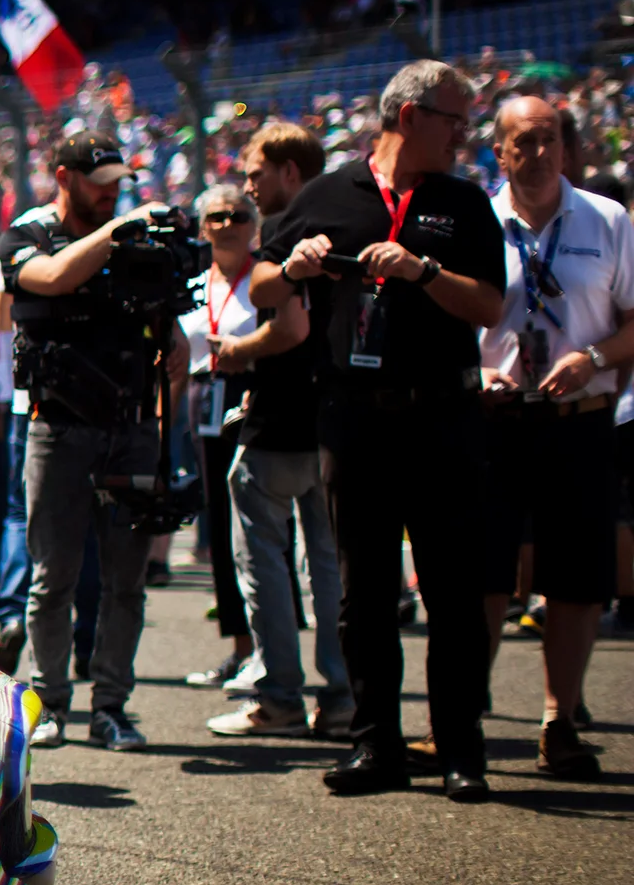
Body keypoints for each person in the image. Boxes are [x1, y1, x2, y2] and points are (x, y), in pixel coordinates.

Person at [250, 61, 506, 801]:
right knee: (363, 593)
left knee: (453, 592)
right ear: (408, 116)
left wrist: (424, 271)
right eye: (454, 118)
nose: (465, 132)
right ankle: (375, 745)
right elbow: (263, 284)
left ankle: (462, 748)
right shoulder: (329, 193)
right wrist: (293, 267)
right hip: (355, 418)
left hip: (443, 415)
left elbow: (489, 306)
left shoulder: (463, 203)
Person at [0, 132, 188, 751]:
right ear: (64, 176)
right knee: (52, 575)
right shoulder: (26, 234)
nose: (112, 194)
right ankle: (49, 702)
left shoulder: (132, 237)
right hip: (56, 426)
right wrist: (121, 230)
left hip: (131, 425)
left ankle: (111, 705)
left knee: (125, 580)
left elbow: (171, 330)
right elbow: (51, 278)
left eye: (118, 184)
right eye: (100, 182)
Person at [477, 94, 634, 779]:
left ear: (567, 149)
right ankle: (461, 718)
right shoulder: (474, 222)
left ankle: (558, 722)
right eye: (524, 141)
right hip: (494, 421)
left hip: (580, 422)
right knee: (480, 574)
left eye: (550, 140)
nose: (538, 153)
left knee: (575, 580)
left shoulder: (608, 220)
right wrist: (472, 377)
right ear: (500, 151)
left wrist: (595, 358)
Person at [208, 123, 352, 739]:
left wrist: (239, 349)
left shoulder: (293, 225)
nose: (248, 185)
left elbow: (289, 329)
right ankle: (343, 696)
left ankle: (281, 698)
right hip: (330, 416)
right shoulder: (345, 213)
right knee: (326, 561)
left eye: (256, 172)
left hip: (282, 417)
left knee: (264, 561)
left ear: (290, 171)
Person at [180, 184, 262, 690]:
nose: (227, 224)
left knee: (256, 531)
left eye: (237, 215)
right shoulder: (192, 284)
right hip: (201, 402)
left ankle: (268, 647)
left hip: (249, 399)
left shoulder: (265, 280)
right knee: (219, 531)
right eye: (216, 216)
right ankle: (240, 647)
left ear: (254, 224)